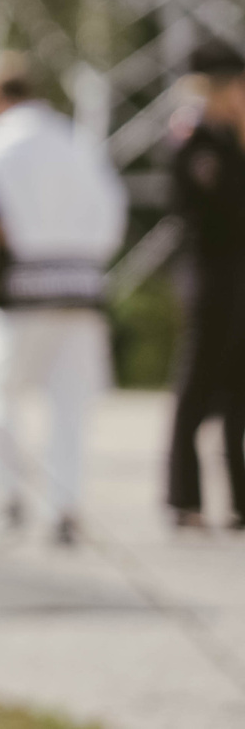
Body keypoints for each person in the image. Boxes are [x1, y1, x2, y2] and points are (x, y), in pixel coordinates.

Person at [0, 53, 126, 546]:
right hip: (82, 287)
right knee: (70, 402)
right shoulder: (74, 139)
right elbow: (111, 213)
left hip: (21, 290)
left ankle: (5, 497)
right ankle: (64, 507)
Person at [165, 42, 245, 529]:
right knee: (196, 385)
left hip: (237, 271)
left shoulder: (230, 135)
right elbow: (216, 209)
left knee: (240, 389)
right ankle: (184, 498)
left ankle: (240, 499)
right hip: (208, 272)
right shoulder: (192, 135)